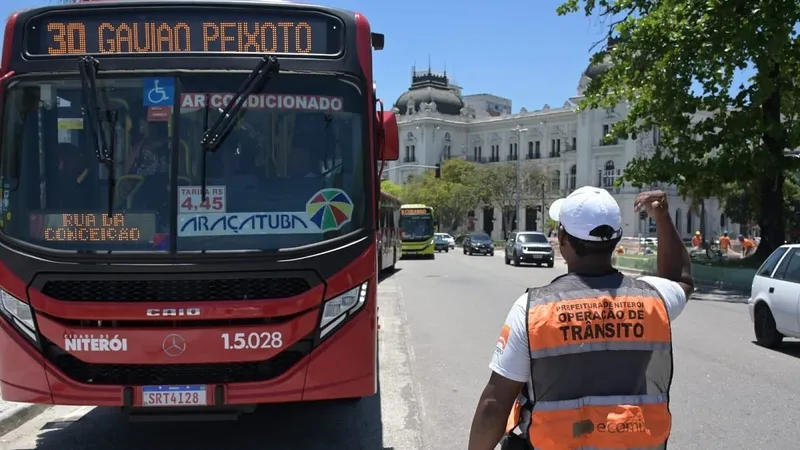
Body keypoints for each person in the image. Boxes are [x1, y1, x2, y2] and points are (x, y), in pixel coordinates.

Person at [467, 187, 694, 450]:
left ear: (563, 239)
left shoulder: (533, 310)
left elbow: (495, 404)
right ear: (616, 239)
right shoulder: (654, 300)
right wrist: (663, 219)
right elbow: (680, 279)